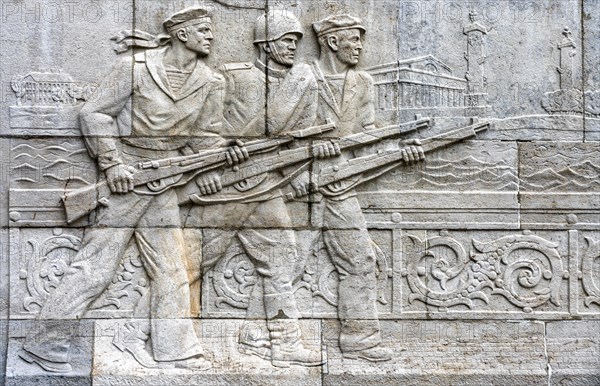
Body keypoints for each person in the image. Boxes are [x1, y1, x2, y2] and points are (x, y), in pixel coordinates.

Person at [19, 7, 246, 372]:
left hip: (165, 183)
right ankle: (43, 343)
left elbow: (204, 137)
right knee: (96, 265)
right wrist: (112, 163)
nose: (211, 37)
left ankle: (176, 350)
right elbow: (94, 114)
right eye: (203, 30)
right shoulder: (135, 68)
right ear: (182, 35)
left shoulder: (210, 80)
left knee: (172, 269)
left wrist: (226, 151)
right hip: (129, 178)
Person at [184, 10, 336, 368]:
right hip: (225, 187)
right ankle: (147, 330)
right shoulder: (231, 79)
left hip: (267, 185)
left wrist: (312, 155)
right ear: (265, 43)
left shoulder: (303, 84)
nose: (293, 48)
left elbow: (301, 137)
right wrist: (214, 155)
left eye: (296, 41)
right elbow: (196, 125)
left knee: (283, 255)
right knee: (192, 263)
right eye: (286, 40)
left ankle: (277, 341)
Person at [309, 14, 424, 362]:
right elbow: (279, 128)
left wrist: (399, 151)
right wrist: (314, 147)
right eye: (354, 39)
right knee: (284, 261)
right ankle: (259, 334)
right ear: (332, 42)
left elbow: (368, 137)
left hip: (340, 184)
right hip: (296, 183)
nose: (360, 46)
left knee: (361, 258)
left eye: (361, 39)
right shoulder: (302, 77)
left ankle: (360, 339)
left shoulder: (363, 82)